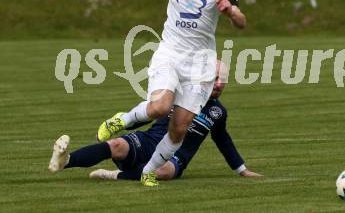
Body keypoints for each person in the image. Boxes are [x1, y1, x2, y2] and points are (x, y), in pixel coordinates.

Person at [83, 0, 246, 187]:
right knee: (159, 106)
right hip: (170, 54)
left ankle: (149, 170)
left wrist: (231, 12)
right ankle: (121, 120)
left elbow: (241, 21)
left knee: (179, 127)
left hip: (200, 65)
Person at [48, 61, 262, 181]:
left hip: (175, 158)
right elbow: (149, 113)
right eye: (212, 78)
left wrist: (241, 170)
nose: (217, 83)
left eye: (221, 80)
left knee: (162, 171)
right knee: (117, 146)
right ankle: (65, 160)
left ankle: (116, 175)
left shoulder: (218, 113)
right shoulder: (178, 94)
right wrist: (122, 125)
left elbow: (223, 141)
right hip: (149, 141)